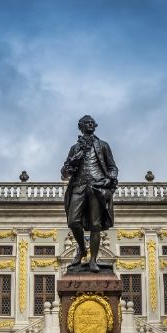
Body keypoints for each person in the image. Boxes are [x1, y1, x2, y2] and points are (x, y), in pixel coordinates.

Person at [61, 115, 118, 272]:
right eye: (87, 123)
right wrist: (73, 160)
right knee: (73, 221)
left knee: (95, 225)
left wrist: (110, 178)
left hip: (96, 187)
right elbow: (65, 172)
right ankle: (82, 249)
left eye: (92, 123)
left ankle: (93, 260)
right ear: (81, 126)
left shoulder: (103, 146)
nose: (90, 124)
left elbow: (112, 167)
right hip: (78, 186)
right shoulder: (74, 148)